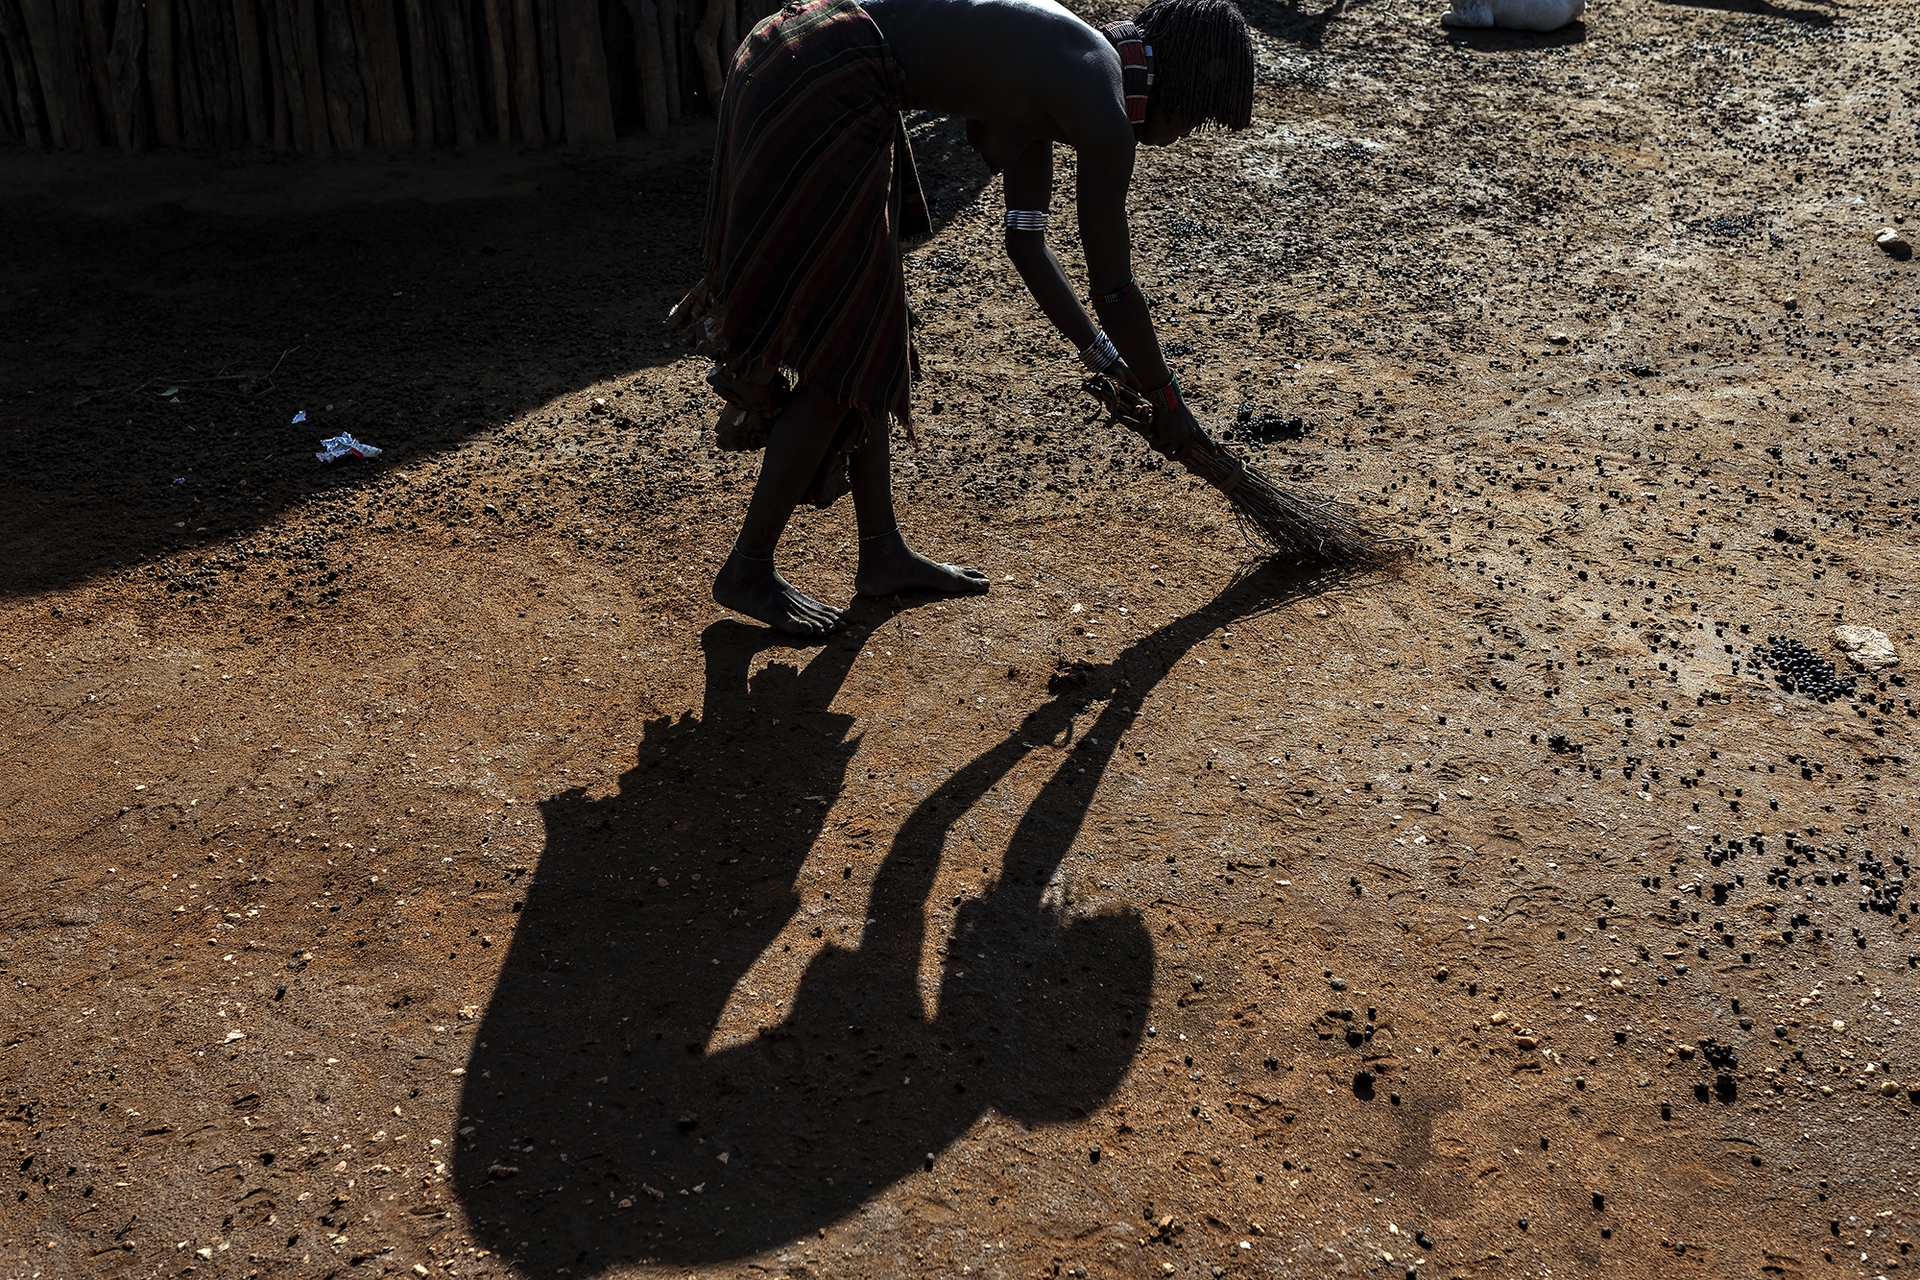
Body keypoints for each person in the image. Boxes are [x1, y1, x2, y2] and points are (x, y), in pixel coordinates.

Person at [670, 0, 1255, 635]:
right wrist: (1167, 398)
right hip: (830, 73)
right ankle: (749, 566)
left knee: (873, 322)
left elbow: (1026, 243)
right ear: (1182, 87)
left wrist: (1108, 361)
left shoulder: (1067, 67)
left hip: (802, 53)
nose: (1188, 134)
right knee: (848, 339)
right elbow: (1114, 288)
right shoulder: (1100, 99)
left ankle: (881, 552)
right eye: (1198, 116)